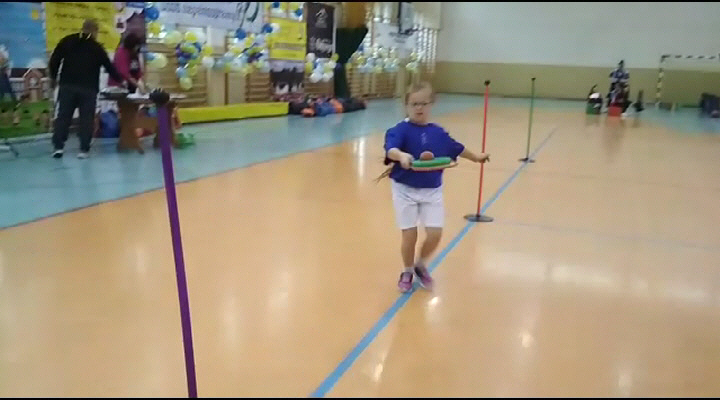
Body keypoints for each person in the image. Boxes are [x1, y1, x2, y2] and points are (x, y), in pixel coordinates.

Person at [382, 82, 490, 293]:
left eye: (423, 103)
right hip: (404, 190)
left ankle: (420, 265)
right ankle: (407, 270)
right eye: (414, 104)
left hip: (432, 190)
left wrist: (476, 157)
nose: (419, 108)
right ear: (406, 105)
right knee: (409, 235)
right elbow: (391, 149)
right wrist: (401, 155)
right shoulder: (400, 130)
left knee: (435, 233)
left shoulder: (438, 133)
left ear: (431, 104)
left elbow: (457, 148)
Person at [48, 19, 126, 159]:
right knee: (86, 119)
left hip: (67, 86)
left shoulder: (68, 41)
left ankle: (58, 147)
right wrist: (121, 81)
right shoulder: (97, 47)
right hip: (88, 89)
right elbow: (109, 67)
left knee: (63, 117)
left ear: (83, 28)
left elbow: (55, 59)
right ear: (95, 31)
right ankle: (83, 150)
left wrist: (53, 77)